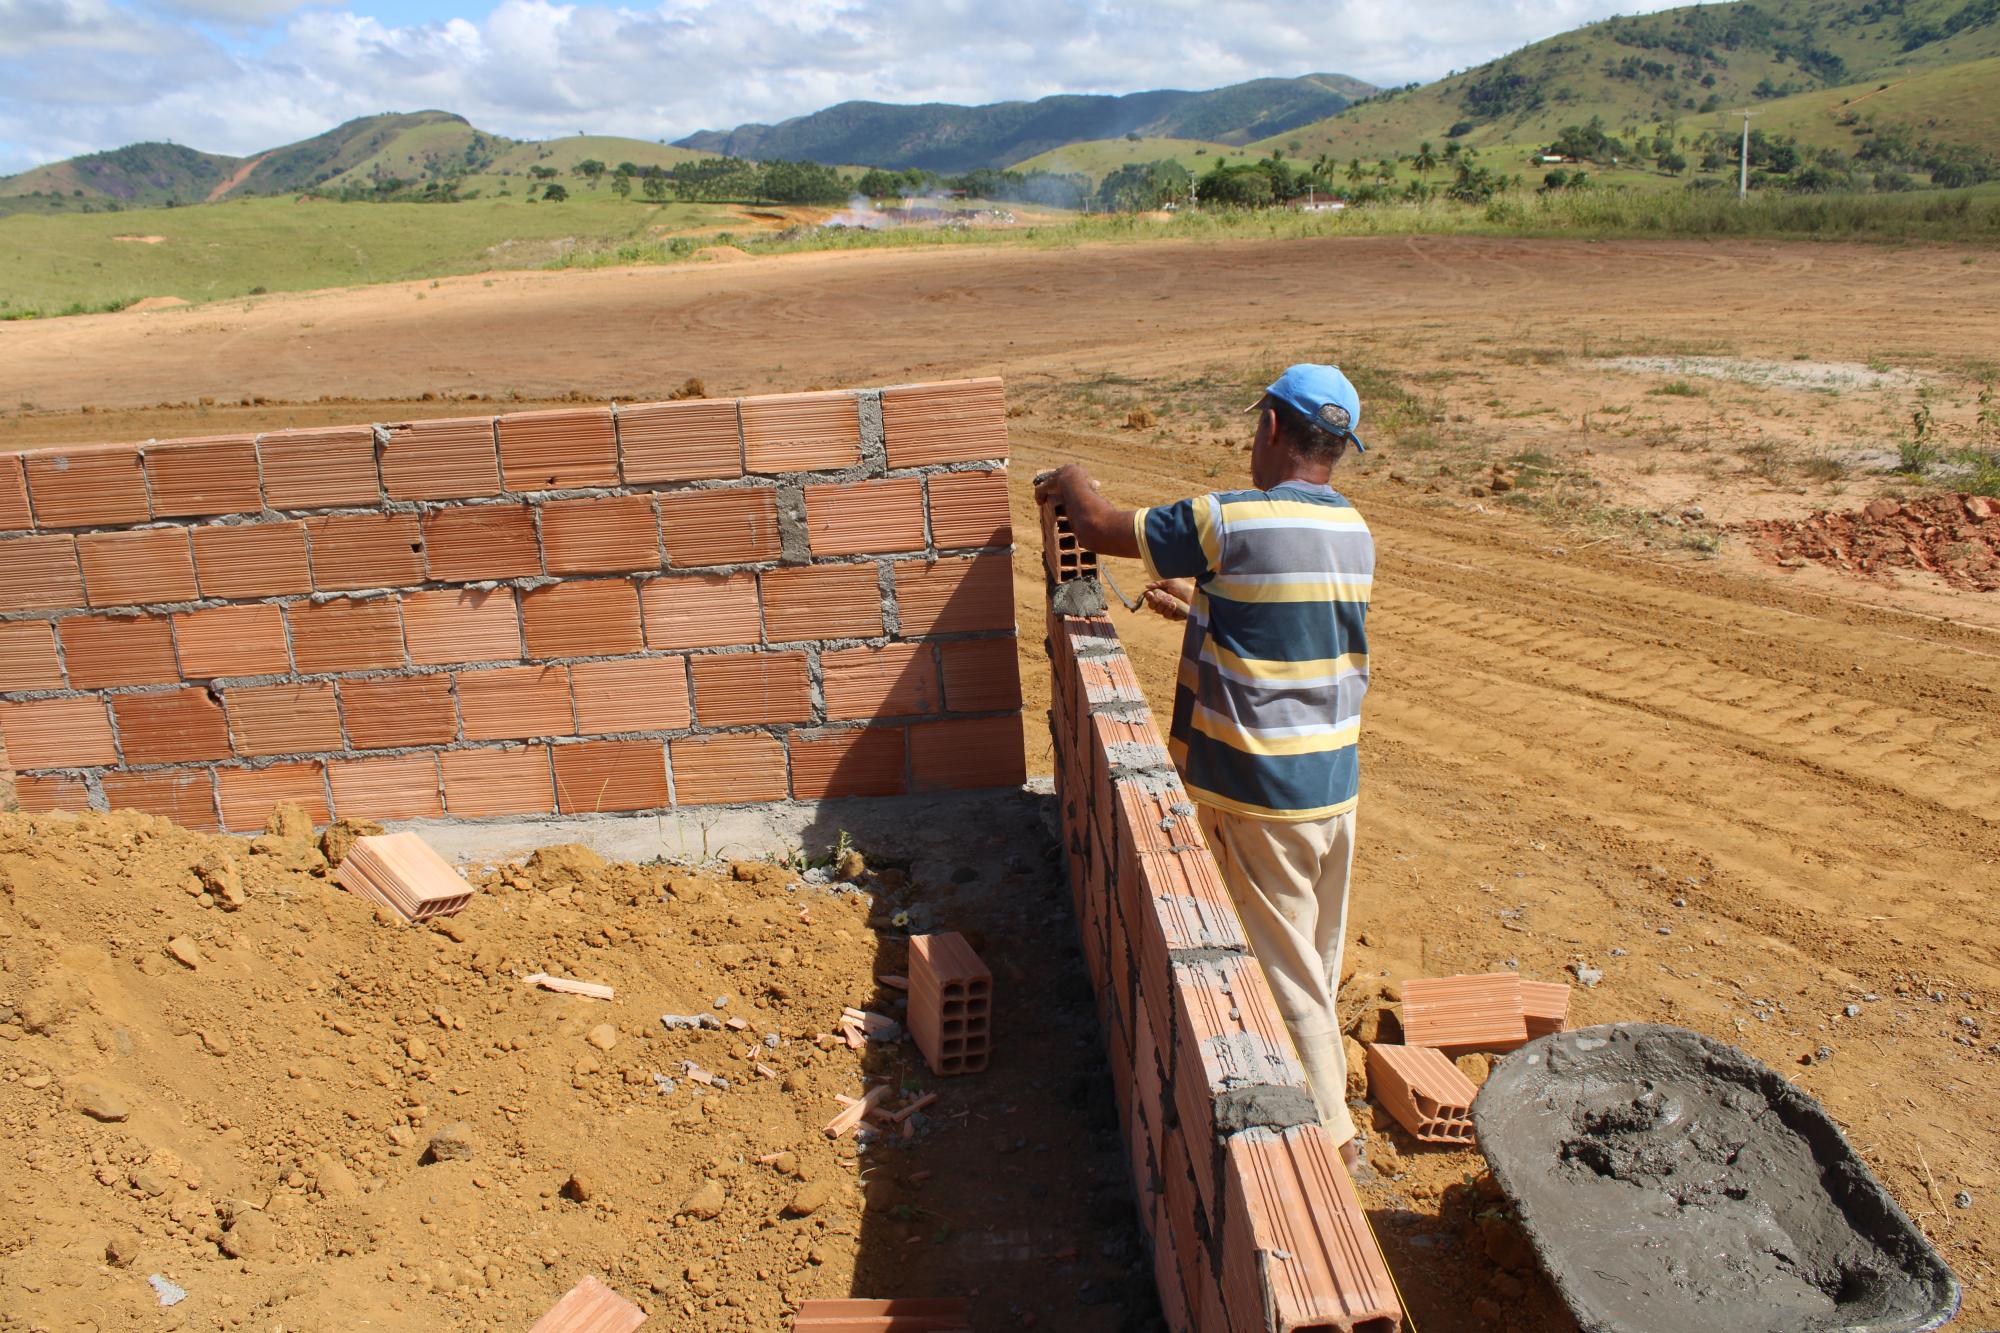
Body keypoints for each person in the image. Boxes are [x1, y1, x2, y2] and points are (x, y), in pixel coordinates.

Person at [1034, 363, 1375, 1166]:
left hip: (1261, 794)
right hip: (1333, 788)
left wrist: (1071, 479)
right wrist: (1198, 606)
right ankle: (1325, 1084)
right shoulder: (1352, 531)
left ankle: (1334, 1139)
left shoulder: (1229, 519)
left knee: (1282, 969)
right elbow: (1286, 627)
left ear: (1268, 431)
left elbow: (1102, 524)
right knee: (1312, 952)